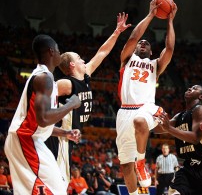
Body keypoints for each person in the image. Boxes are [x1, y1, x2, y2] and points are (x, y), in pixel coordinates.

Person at [45, 12, 131, 183]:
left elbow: (102, 52)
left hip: (68, 138)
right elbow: (41, 96)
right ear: (72, 65)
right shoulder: (66, 84)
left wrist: (117, 32)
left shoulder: (85, 76)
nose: (83, 60)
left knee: (61, 182)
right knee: (58, 183)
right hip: (59, 138)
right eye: (79, 58)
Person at [4, 34, 81, 194]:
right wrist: (71, 105)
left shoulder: (46, 79)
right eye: (59, 50)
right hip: (25, 140)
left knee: (55, 188)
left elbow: (38, 123)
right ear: (51, 51)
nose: (60, 54)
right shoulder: (43, 79)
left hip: (29, 138)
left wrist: (65, 133)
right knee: (56, 190)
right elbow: (44, 119)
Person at [116, 0, 177, 195]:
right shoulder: (127, 59)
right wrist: (151, 14)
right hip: (124, 113)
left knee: (142, 121)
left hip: (146, 106)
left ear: (151, 51)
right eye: (140, 43)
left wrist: (169, 21)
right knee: (126, 167)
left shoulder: (155, 66)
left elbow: (169, 49)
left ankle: (141, 162)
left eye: (147, 44)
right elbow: (133, 37)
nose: (142, 43)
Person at [157, 85, 202, 195]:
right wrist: (145, 117)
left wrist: (169, 128)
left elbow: (195, 138)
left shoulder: (200, 110)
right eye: (190, 88)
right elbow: (157, 129)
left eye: (194, 89)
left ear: (201, 96)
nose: (189, 89)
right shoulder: (179, 116)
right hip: (188, 166)